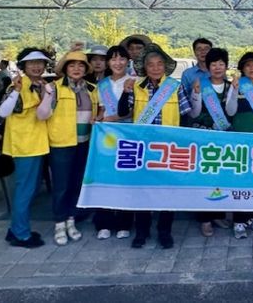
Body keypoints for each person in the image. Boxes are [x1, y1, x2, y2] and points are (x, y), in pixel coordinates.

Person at [118, 43, 200, 249]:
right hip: (143, 147)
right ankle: (142, 231)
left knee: (167, 190)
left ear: (165, 66)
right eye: (151, 64)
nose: (155, 68)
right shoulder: (136, 87)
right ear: (145, 68)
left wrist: (183, 142)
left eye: (159, 64)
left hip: (168, 148)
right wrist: (125, 92)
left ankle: (165, 231)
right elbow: (122, 112)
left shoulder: (174, 86)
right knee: (142, 190)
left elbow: (186, 115)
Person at [39, 49, 99, 246]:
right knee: (61, 186)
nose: (76, 69)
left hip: (84, 143)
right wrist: (47, 97)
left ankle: (71, 220)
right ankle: (59, 223)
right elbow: (42, 115)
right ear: (65, 69)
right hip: (61, 144)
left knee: (76, 183)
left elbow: (98, 112)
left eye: (81, 65)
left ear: (86, 69)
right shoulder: (54, 88)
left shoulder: (92, 89)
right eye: (72, 65)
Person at [0, 48, 51, 248]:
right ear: (23, 66)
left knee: (30, 188)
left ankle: (15, 229)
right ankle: (21, 234)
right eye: (31, 63)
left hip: (36, 143)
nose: (37, 66)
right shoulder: (18, 85)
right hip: (25, 145)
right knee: (25, 190)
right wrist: (16, 91)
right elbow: (3, 112)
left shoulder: (40, 85)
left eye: (40, 63)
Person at [225, 52, 253, 238]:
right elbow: (230, 111)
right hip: (240, 140)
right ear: (242, 69)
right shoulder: (236, 85)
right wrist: (234, 91)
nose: (252, 68)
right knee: (240, 180)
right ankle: (239, 220)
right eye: (248, 65)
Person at [92, 45, 134, 240]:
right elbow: (101, 110)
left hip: (128, 137)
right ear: (108, 63)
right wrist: (98, 118)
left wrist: (111, 118)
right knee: (105, 178)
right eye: (114, 59)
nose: (118, 63)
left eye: (122, 59)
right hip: (106, 138)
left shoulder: (135, 82)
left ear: (128, 61)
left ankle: (124, 222)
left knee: (126, 179)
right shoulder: (102, 85)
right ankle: (104, 223)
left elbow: (134, 111)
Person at [189, 47, 231, 237]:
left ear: (226, 66)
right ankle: (205, 219)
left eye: (221, 63)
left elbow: (231, 112)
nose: (217, 67)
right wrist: (196, 94)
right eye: (214, 64)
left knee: (222, 176)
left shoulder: (231, 86)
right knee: (204, 177)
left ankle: (218, 214)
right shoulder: (200, 84)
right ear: (208, 66)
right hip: (203, 137)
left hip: (224, 137)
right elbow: (194, 113)